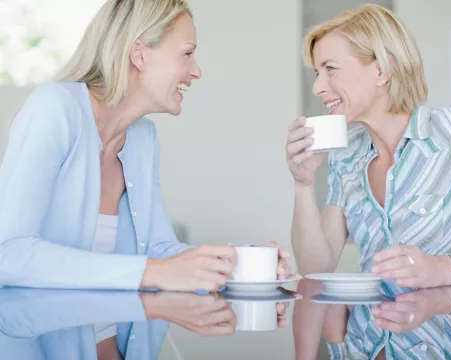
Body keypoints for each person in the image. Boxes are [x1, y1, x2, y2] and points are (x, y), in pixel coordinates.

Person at [0, 0, 295, 315]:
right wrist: (152, 272)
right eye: (187, 53)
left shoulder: (142, 137)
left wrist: (244, 266)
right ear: (139, 54)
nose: (196, 70)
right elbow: (8, 254)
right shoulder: (55, 108)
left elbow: (159, 251)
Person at [288, 4, 451, 289]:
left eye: (330, 69)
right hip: (364, 332)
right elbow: (316, 267)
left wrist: (442, 269)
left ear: (382, 70)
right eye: (317, 72)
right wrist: (302, 184)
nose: (318, 87)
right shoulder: (346, 152)